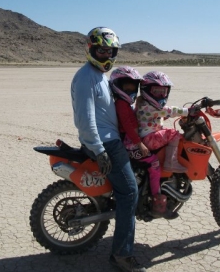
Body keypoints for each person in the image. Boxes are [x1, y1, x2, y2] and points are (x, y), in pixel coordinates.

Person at [71, 27, 146, 272]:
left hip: (108, 139)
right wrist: (99, 150)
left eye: (110, 51)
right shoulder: (86, 78)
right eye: (102, 50)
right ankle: (121, 255)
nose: (106, 56)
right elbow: (85, 119)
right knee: (129, 192)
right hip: (105, 143)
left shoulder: (99, 75)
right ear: (91, 49)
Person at [109, 66, 175, 219]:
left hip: (129, 140)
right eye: (126, 86)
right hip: (131, 143)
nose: (130, 89)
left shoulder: (124, 103)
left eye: (133, 86)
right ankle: (157, 201)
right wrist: (139, 144)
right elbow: (129, 127)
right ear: (118, 86)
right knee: (154, 164)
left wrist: (160, 118)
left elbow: (137, 120)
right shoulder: (122, 105)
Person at [137, 71, 196, 174]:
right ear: (146, 90)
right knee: (173, 134)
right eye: (156, 91)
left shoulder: (142, 104)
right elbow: (170, 110)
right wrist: (188, 111)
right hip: (150, 140)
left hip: (145, 138)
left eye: (163, 92)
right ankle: (171, 163)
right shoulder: (149, 107)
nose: (160, 95)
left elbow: (157, 116)